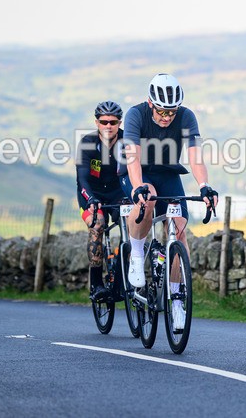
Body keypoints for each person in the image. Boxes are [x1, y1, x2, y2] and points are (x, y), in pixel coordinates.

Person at [119, 73, 218, 330]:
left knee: (179, 229)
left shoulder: (186, 117)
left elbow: (195, 157)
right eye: (162, 111)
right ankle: (137, 254)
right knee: (148, 199)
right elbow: (132, 155)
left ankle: (176, 300)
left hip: (169, 174)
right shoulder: (136, 115)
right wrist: (138, 186)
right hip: (140, 172)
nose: (167, 117)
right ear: (151, 104)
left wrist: (205, 186)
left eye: (171, 112)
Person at [76, 100, 125, 302]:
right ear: (96, 122)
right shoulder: (87, 143)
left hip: (117, 193)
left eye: (113, 122)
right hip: (91, 194)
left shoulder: (127, 142)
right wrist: (91, 199)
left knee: (130, 225)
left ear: (119, 123)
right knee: (97, 225)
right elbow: (82, 178)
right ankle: (96, 285)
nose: (108, 126)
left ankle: (122, 282)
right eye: (104, 122)